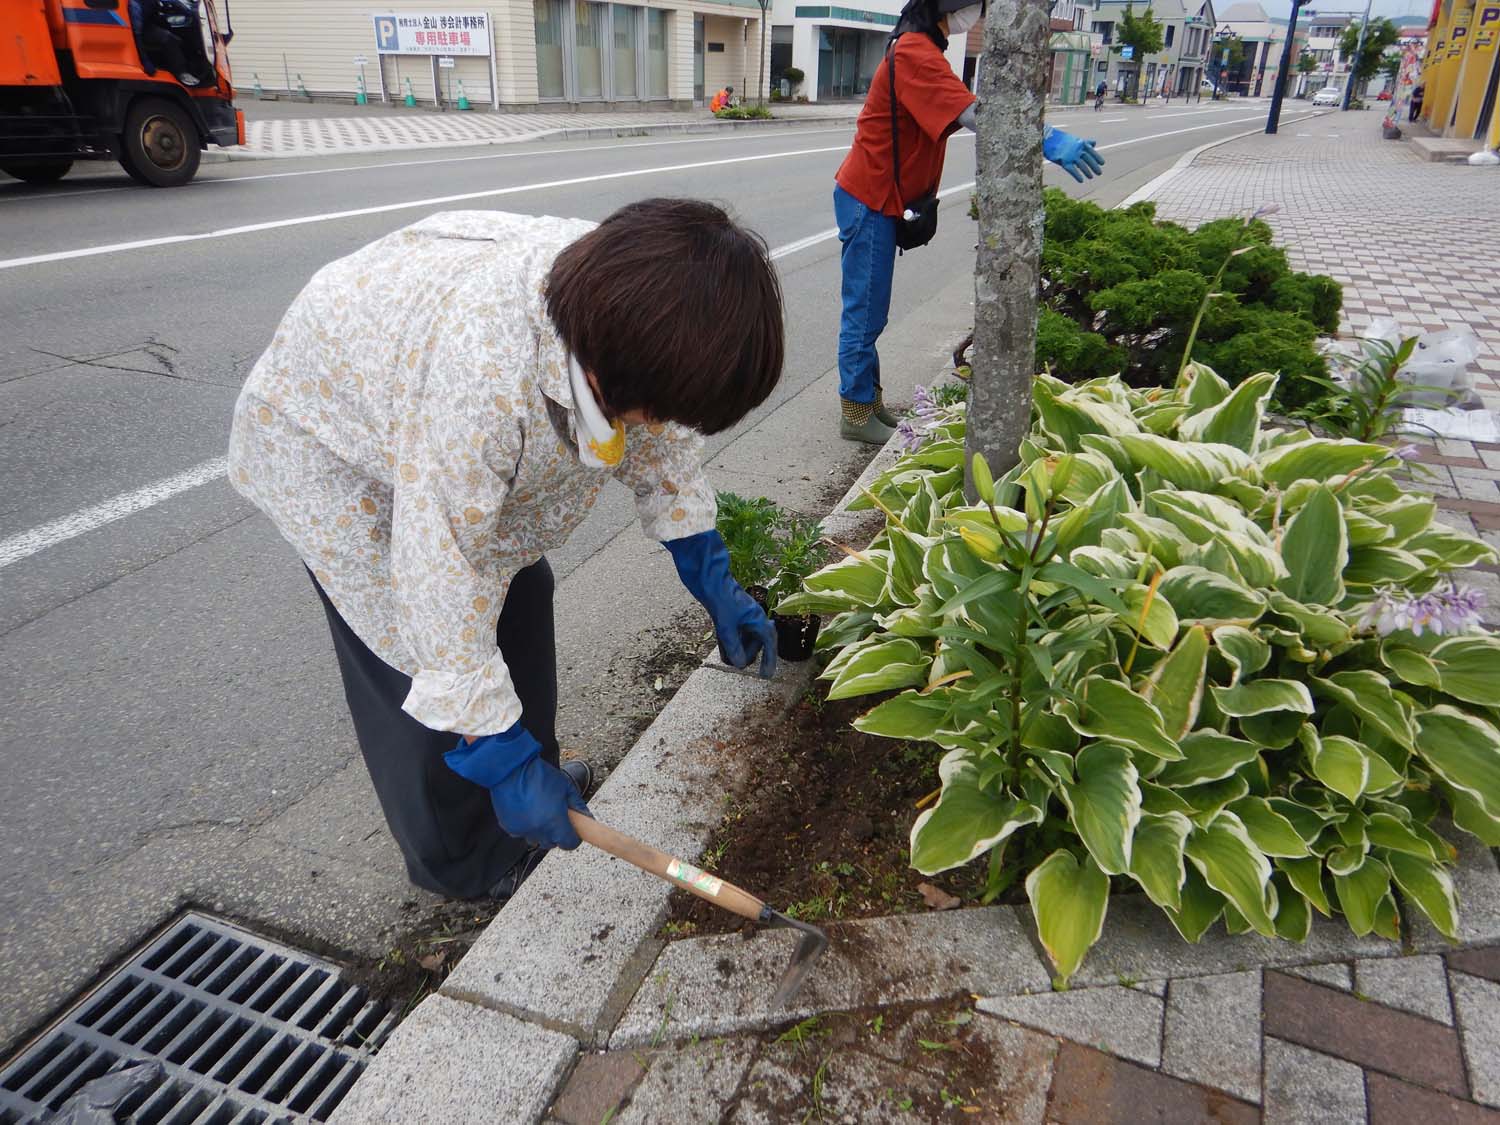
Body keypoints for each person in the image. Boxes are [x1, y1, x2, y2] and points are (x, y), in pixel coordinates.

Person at [227, 200, 784, 902]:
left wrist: (711, 571)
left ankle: (536, 780)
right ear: (616, 378)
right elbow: (443, 587)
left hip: (424, 400)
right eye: (659, 406)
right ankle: (464, 859)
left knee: (523, 597)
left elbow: (659, 438)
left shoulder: (634, 301)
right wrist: (498, 755)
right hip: (337, 446)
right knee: (419, 658)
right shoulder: (481, 380)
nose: (665, 423)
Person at [831, 0, 1106, 443]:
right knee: (864, 313)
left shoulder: (920, 49)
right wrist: (1048, 139)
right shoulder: (914, 53)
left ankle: (868, 401)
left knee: (870, 311)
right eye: (975, 7)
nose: (974, 17)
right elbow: (976, 114)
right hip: (870, 196)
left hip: (879, 197)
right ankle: (856, 414)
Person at [127, 0, 201, 86]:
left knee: (179, 36)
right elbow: (137, 35)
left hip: (151, 21)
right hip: (140, 31)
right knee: (169, 39)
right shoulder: (135, 6)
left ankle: (192, 65)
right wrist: (144, 61)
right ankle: (181, 72)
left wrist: (186, 9)